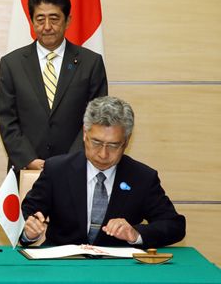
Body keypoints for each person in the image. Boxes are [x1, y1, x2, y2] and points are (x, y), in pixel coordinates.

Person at [21, 96, 186, 248]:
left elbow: (174, 225)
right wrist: (29, 232)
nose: (103, 154)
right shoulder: (56, 170)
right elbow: (25, 215)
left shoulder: (142, 177)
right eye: (96, 142)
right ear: (85, 134)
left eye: (113, 145)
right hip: (63, 266)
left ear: (126, 141)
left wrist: (135, 233)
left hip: (118, 270)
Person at [0, 0, 108, 177]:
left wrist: (71, 160)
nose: (47, 26)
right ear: (31, 21)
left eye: (54, 18)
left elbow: (96, 119)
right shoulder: (11, 64)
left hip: (76, 168)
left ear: (68, 21)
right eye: (40, 19)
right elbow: (6, 118)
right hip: (26, 169)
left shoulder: (91, 63)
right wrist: (29, 159)